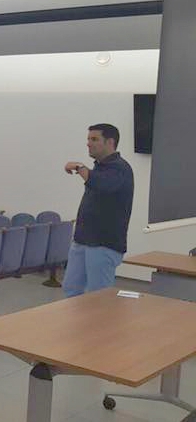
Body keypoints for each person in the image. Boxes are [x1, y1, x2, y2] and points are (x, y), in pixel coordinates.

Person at [62, 123, 134, 298]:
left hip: (103, 244)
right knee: (71, 290)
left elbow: (101, 184)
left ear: (110, 142)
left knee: (98, 297)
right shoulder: (101, 167)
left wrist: (80, 167)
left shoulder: (120, 168)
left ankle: (100, 326)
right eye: (88, 139)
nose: (88, 143)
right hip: (82, 240)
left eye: (94, 139)